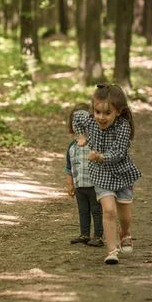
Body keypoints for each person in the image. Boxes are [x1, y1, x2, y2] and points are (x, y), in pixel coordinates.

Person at [72, 84, 141, 264]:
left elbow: (119, 152)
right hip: (101, 174)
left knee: (125, 217)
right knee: (109, 210)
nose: (101, 117)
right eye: (97, 112)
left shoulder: (123, 126)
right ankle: (112, 251)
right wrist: (81, 137)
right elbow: (77, 117)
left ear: (118, 112)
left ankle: (125, 233)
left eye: (107, 113)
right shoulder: (90, 120)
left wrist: (101, 156)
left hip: (122, 174)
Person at [65, 103, 104, 247]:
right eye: (76, 124)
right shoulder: (72, 147)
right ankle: (84, 234)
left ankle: (98, 236)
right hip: (80, 186)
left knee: (96, 211)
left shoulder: (95, 144)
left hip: (95, 186)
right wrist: (70, 184)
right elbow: (69, 167)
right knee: (83, 211)